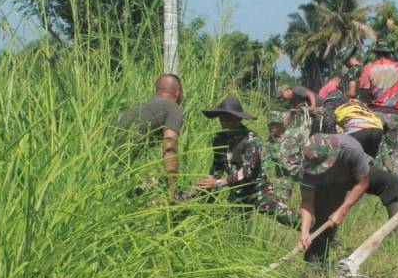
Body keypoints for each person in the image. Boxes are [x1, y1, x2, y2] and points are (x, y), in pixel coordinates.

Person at [297, 133, 398, 265]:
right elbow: (307, 203)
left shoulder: (350, 148)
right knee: (325, 221)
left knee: (391, 183)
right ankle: (316, 264)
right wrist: (304, 232)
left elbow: (363, 183)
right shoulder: (307, 167)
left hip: (356, 175)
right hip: (330, 185)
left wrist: (342, 210)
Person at [197, 94, 294, 226]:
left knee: (285, 217)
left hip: (257, 190)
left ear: (238, 119)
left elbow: (247, 171)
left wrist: (219, 183)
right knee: (230, 227)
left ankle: (312, 228)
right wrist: (208, 184)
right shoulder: (218, 139)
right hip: (237, 193)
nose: (225, 123)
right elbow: (217, 165)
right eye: (222, 119)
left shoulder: (251, 139)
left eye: (229, 119)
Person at [111, 73, 184, 193]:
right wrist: (172, 189)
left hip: (106, 159)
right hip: (122, 162)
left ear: (157, 91)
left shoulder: (138, 108)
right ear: (178, 93)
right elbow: (170, 146)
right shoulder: (173, 108)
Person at [359, 39, 398, 174]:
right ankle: (397, 175)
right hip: (394, 114)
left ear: (376, 53)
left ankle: (378, 178)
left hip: (374, 114)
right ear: (390, 53)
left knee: (376, 148)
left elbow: (364, 94)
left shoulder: (368, 68)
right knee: (395, 148)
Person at [257, 111, 304, 227]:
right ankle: (285, 222)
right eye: (269, 125)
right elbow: (264, 162)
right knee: (280, 199)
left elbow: (307, 151)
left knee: (310, 196)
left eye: (273, 125)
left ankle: (309, 220)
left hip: (302, 171)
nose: (270, 128)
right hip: (284, 175)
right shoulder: (269, 144)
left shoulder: (295, 135)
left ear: (280, 124)